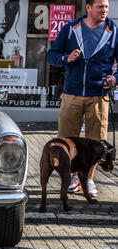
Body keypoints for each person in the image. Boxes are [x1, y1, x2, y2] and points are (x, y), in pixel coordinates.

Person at [47, 0, 118, 197]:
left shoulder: (113, 32)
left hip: (99, 96)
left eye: (106, 7)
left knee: (95, 143)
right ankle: (72, 178)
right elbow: (51, 55)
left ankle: (88, 180)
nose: (104, 11)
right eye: (100, 7)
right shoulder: (71, 29)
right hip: (72, 94)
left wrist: (115, 78)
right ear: (88, 7)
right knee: (67, 140)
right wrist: (65, 59)